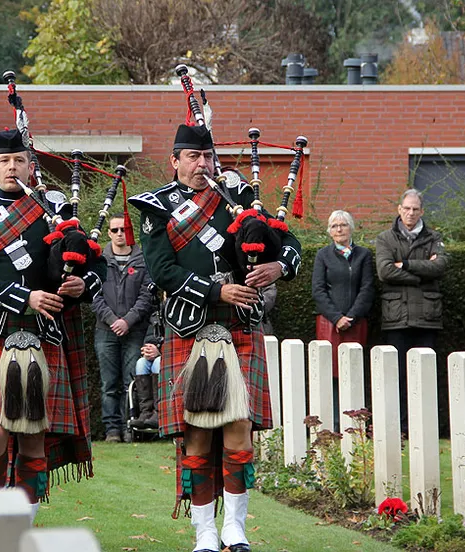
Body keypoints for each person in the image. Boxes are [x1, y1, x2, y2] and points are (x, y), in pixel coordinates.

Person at [129, 124, 302, 552]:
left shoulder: (238, 195)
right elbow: (161, 268)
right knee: (198, 434)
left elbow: (288, 241)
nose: (202, 164)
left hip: (239, 322)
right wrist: (215, 289)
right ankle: (204, 531)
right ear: (175, 160)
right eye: (192, 156)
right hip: (191, 326)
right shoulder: (156, 206)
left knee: (239, 425)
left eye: (207, 156)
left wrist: (279, 267)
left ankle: (235, 528)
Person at [0, 129, 104, 518]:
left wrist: (82, 282)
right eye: (5, 161)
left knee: (34, 436)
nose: (12, 167)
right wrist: (26, 297)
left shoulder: (56, 210)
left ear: (31, 166)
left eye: (19, 160)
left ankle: (22, 527)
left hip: (42, 334)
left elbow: (94, 262)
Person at [375, 189, 448, 433]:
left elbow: (440, 266)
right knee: (398, 376)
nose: (411, 213)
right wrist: (420, 275)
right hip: (397, 317)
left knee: (425, 376)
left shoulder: (434, 237)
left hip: (427, 316)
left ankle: (425, 427)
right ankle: (401, 427)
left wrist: (405, 264)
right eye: (406, 208)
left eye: (415, 209)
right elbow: (385, 271)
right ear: (399, 209)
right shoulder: (385, 238)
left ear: (422, 211)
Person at [91, 213, 153, 442]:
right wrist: (112, 319)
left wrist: (127, 320)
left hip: (134, 329)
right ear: (108, 233)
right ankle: (112, 431)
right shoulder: (97, 260)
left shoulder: (144, 260)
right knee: (109, 383)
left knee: (132, 381)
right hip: (105, 330)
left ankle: (130, 427)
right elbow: (93, 295)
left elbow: (147, 296)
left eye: (123, 230)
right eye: (114, 230)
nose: (119, 234)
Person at [312, 210, 374, 431]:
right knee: (332, 375)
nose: (339, 229)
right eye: (335, 226)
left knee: (354, 372)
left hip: (356, 323)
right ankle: (334, 424)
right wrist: (337, 317)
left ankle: (357, 423)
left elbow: (367, 289)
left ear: (351, 228)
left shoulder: (364, 255)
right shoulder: (323, 256)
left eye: (343, 225)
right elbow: (318, 291)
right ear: (329, 231)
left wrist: (352, 316)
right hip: (329, 324)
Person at [130, 313, 163, 430]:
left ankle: (159, 412)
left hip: (167, 356)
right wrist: (148, 349)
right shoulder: (156, 314)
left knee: (158, 363)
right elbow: (149, 336)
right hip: (156, 354)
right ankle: (146, 413)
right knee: (141, 363)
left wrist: (159, 349)